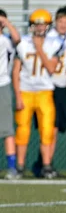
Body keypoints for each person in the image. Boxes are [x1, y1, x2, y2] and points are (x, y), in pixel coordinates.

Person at [13, 9, 65, 179]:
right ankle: (19, 167)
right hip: (26, 91)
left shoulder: (54, 43)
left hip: (44, 91)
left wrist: (39, 48)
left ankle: (47, 166)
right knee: (22, 131)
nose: (40, 27)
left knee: (47, 130)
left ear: (48, 26)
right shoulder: (22, 44)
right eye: (37, 24)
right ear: (31, 26)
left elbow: (51, 68)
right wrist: (18, 96)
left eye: (43, 24)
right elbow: (15, 72)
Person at [31, 6, 66, 177]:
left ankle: (45, 163)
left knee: (55, 128)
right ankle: (45, 164)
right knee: (48, 128)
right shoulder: (49, 38)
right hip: (47, 85)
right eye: (60, 21)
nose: (63, 25)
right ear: (55, 22)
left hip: (61, 87)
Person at [0, 10, 21, 179]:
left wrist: (6, 22)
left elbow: (17, 38)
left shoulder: (6, 40)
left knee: (7, 129)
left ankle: (12, 167)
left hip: (2, 84)